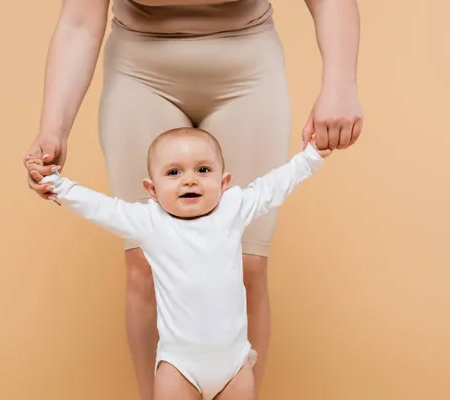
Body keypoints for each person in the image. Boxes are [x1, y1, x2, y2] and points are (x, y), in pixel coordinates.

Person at [23, 1, 363, 399]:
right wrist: (53, 128)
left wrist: (341, 84)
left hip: (247, 65)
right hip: (139, 69)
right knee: (144, 267)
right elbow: (80, 21)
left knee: (246, 265)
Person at [31, 127, 331, 400]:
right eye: (173, 172)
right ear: (152, 189)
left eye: (203, 170)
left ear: (223, 182)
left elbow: (273, 187)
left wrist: (312, 156)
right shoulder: (149, 221)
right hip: (179, 367)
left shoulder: (232, 208)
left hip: (234, 366)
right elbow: (99, 208)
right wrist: (55, 183)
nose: (189, 179)